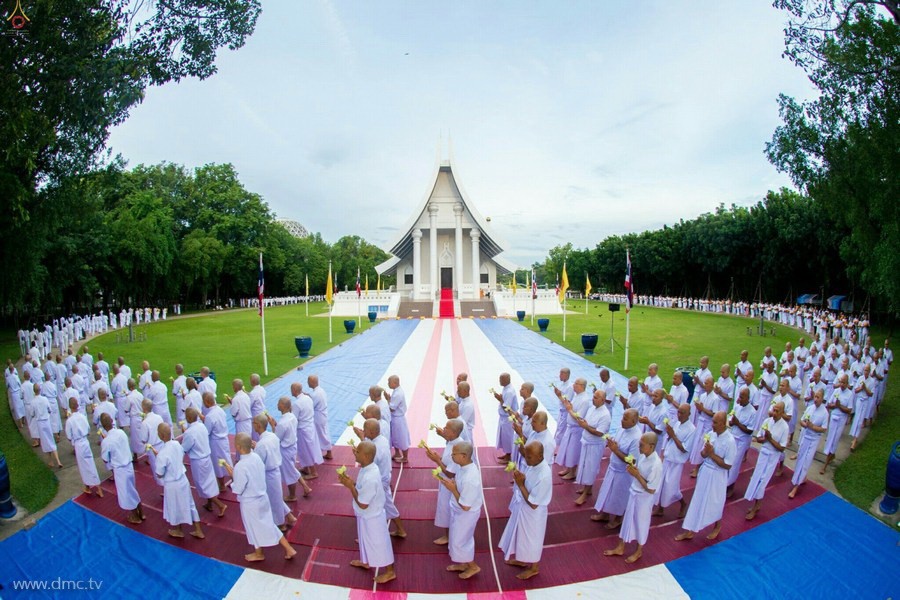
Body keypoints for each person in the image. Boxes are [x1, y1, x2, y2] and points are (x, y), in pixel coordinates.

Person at [224, 433, 297, 562]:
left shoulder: (241, 466)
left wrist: (233, 476)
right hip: (263, 497)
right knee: (268, 525)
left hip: (251, 502)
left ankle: (261, 553)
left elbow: (239, 488)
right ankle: (284, 549)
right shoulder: (256, 457)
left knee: (253, 527)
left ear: (239, 447)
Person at [336, 440, 396, 583]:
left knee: (379, 543)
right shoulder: (367, 467)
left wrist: (351, 487)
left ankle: (390, 571)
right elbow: (361, 488)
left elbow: (363, 504)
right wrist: (351, 483)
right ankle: (366, 560)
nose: (354, 452)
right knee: (365, 540)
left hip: (372, 516)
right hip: (366, 514)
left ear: (366, 456)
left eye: (357, 451)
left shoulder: (371, 476)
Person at [675, 412, 736, 542]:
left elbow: (728, 465)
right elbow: (703, 454)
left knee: (715, 502)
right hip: (706, 471)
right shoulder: (712, 434)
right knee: (698, 500)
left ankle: (717, 526)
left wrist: (712, 454)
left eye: (715, 422)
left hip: (718, 475)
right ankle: (690, 530)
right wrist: (706, 451)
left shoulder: (730, 441)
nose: (712, 424)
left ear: (722, 423)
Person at [604, 432, 662, 564]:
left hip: (644, 498)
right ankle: (621, 546)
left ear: (651, 446)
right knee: (627, 520)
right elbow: (639, 472)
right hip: (634, 492)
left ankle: (639, 550)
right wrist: (633, 469)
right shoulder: (643, 456)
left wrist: (636, 475)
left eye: (642, 445)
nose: (639, 447)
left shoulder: (656, 464)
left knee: (640, 523)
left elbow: (651, 489)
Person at [499, 441, 552, 580]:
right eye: (526, 455)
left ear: (540, 456)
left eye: (529, 456)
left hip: (533, 514)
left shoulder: (544, 475)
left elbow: (534, 504)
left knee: (532, 540)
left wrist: (521, 484)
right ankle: (522, 559)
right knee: (521, 537)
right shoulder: (534, 464)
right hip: (523, 508)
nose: (526, 459)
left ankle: (534, 567)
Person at [439, 441, 483, 579]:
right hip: (458, 509)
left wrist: (452, 489)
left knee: (461, 540)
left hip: (466, 513)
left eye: (454, 454)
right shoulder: (463, 467)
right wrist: (453, 485)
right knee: (456, 538)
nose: (451, 456)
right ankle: (463, 563)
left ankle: (473, 566)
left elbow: (465, 506)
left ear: (464, 456)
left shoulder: (471, 477)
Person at [152, 423, 205, 539]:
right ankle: (198, 530)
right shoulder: (176, 444)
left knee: (174, 506)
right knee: (190, 504)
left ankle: (178, 530)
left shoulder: (163, 453)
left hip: (172, 484)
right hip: (183, 480)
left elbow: (159, 473)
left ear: (160, 435)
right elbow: (175, 456)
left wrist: (158, 459)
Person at [591, 408, 641, 529]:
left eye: (625, 418)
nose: (622, 420)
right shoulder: (622, 428)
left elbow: (632, 460)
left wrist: (615, 450)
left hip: (623, 473)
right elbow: (617, 443)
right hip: (613, 467)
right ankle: (605, 514)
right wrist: (612, 442)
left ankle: (618, 519)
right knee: (608, 492)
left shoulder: (637, 437)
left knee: (619, 496)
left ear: (634, 421)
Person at [743, 402, 789, 520]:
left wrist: (770, 439)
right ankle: (755, 502)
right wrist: (765, 439)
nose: (774, 413)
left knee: (763, 480)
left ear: (782, 412)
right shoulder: (767, 422)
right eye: (774, 410)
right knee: (757, 477)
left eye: (778, 411)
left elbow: (782, 447)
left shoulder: (784, 427)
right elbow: (758, 438)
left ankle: (757, 505)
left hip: (773, 456)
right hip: (763, 453)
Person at [252, 414, 296, 531]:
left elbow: (259, 461)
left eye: (254, 423)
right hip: (274, 471)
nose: (253, 425)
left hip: (269, 473)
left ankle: (281, 523)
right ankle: (289, 516)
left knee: (273, 499)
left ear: (259, 425)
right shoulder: (272, 436)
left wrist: (254, 450)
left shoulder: (262, 444)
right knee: (275, 496)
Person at [181, 407, 228, 517]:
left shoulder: (190, 432)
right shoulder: (202, 426)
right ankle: (209, 504)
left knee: (202, 484)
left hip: (198, 461)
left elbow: (185, 447)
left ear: (188, 418)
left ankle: (220, 505)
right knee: (209, 481)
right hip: (206, 458)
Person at [425, 418, 465, 546]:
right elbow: (448, 461)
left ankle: (449, 536)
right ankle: (449, 535)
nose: (444, 429)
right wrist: (439, 458)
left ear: (453, 433)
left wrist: (437, 460)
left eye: (446, 428)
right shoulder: (452, 442)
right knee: (446, 507)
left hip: (451, 482)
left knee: (447, 508)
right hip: (448, 480)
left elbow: (450, 473)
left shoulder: (457, 447)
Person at [99, 414, 143, 524]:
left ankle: (135, 516)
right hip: (128, 465)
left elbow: (105, 459)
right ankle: (141, 512)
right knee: (132, 489)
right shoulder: (121, 433)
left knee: (126, 493)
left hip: (120, 469)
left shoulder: (107, 441)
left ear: (103, 426)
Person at [653, 403, 695, 518]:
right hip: (668, 458)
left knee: (671, 487)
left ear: (689, 414)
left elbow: (684, 448)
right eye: (679, 412)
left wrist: (673, 435)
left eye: (682, 413)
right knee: (661, 484)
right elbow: (671, 439)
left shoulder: (692, 430)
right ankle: (660, 509)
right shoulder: (677, 424)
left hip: (676, 462)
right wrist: (670, 434)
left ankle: (683, 503)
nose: (679, 415)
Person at [572, 389, 611, 505]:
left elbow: (600, 433)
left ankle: (586, 493)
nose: (593, 399)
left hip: (595, 446)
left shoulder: (605, 415)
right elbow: (587, 422)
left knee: (591, 468)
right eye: (593, 396)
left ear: (603, 400)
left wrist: (586, 426)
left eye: (596, 397)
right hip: (586, 442)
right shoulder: (592, 408)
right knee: (584, 466)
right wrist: (583, 423)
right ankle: (586, 489)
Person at [789, 389, 829, 499]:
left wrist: (813, 427)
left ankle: (796, 486)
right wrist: (805, 425)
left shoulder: (824, 412)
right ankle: (800, 478)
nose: (815, 399)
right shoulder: (810, 408)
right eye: (815, 397)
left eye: (818, 397)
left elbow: (824, 429)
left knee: (806, 461)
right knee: (800, 458)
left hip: (814, 439)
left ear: (822, 398)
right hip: (805, 436)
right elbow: (802, 420)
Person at [271, 396, 311, 500]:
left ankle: (292, 495)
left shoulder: (283, 422)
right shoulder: (292, 417)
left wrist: (273, 426)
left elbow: (276, 438)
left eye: (279, 403)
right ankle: (305, 487)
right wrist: (276, 425)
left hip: (285, 449)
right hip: (292, 446)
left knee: (289, 473)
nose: (277, 405)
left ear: (283, 406)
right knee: (291, 469)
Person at [65, 396, 102, 496]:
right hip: (85, 441)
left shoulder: (70, 421)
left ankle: (94, 486)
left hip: (78, 443)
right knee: (90, 463)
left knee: (84, 466)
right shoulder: (82, 416)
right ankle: (89, 486)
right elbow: (88, 430)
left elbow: (69, 436)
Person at [555, 378, 591, 479]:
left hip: (576, 429)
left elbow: (579, 417)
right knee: (567, 449)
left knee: (573, 450)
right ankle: (568, 468)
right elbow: (570, 406)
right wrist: (560, 397)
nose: (574, 385)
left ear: (582, 386)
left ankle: (572, 472)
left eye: (576, 384)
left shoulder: (585, 400)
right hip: (570, 427)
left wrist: (569, 410)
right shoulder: (578, 396)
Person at [726, 387, 757, 497]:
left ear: (748, 398)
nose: (739, 399)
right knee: (728, 461)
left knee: (735, 464)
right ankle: (725, 483)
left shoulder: (752, 412)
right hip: (732, 437)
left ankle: (731, 486)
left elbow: (749, 430)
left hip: (742, 440)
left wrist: (738, 423)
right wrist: (733, 422)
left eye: (742, 397)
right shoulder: (737, 407)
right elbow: (730, 423)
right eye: (739, 396)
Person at [290, 382, 322, 479]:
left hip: (303, 429)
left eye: (291, 389)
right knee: (305, 449)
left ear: (295, 391)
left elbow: (294, 418)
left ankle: (313, 472)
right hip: (309, 426)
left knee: (306, 450)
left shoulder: (296, 404)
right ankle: (306, 468)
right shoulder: (308, 398)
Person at [202, 391, 232, 491]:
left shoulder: (210, 416)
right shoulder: (220, 410)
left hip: (215, 442)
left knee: (218, 464)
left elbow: (207, 431)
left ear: (207, 402)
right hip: (224, 439)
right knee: (227, 460)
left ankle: (222, 485)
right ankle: (234, 479)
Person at [30, 383, 63, 468]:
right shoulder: (45, 399)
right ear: (40, 390)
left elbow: (32, 414)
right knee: (50, 439)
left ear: (34, 391)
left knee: (45, 442)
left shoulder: (33, 402)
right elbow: (49, 409)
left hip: (40, 423)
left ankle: (51, 461)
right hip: (47, 421)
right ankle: (58, 461)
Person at [849, 364, 875, 451]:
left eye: (867, 370)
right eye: (865, 370)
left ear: (869, 371)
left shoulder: (872, 381)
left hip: (865, 401)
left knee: (860, 420)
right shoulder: (860, 378)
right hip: (859, 400)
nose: (866, 372)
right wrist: (861, 388)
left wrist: (865, 388)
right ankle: (854, 436)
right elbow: (856, 390)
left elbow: (871, 394)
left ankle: (855, 439)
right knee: (856, 418)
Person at [493, 373, 518, 463]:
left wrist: (500, 399)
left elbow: (507, 408)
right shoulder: (506, 389)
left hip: (508, 418)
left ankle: (509, 457)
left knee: (508, 437)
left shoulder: (509, 391)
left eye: (501, 379)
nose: (499, 381)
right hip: (504, 417)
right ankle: (507, 454)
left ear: (507, 379)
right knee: (504, 436)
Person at [385, 375, 410, 463]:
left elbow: (392, 408)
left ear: (395, 383)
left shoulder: (398, 393)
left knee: (402, 437)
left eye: (389, 382)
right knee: (394, 437)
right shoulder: (396, 391)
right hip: (395, 418)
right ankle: (397, 453)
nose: (388, 384)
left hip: (398, 419)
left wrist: (387, 400)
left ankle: (405, 457)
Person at [308, 375, 333, 460]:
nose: (307, 383)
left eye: (308, 381)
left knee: (320, 435)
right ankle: (328, 452)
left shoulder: (315, 394)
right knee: (324, 433)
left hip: (318, 417)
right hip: (322, 415)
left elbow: (310, 405)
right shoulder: (320, 391)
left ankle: (321, 453)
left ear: (312, 382)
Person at [226, 379, 252, 447]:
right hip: (248, 423)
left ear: (235, 387)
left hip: (241, 424)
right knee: (248, 442)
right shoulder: (246, 396)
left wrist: (232, 403)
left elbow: (233, 413)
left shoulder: (236, 399)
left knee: (241, 444)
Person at [248, 373, 267, 439]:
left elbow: (249, 405)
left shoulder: (253, 393)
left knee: (256, 435)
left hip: (256, 415)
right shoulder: (262, 389)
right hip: (262, 412)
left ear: (252, 382)